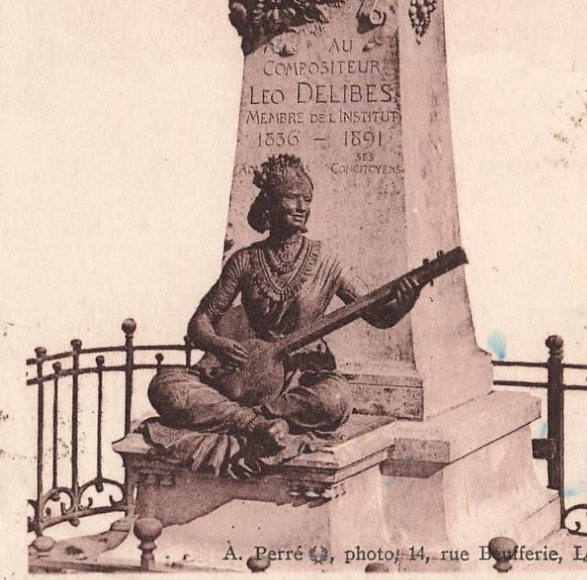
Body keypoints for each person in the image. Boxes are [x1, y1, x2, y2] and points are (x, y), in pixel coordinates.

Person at [146, 155, 421, 473]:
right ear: (270, 203)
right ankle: (257, 425)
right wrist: (219, 345)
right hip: (244, 372)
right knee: (165, 385)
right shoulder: (246, 260)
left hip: (299, 379)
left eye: (307, 199)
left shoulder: (327, 260)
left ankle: (258, 418)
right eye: (292, 197)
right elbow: (200, 321)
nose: (302, 206)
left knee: (336, 399)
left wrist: (406, 299)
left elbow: (379, 317)